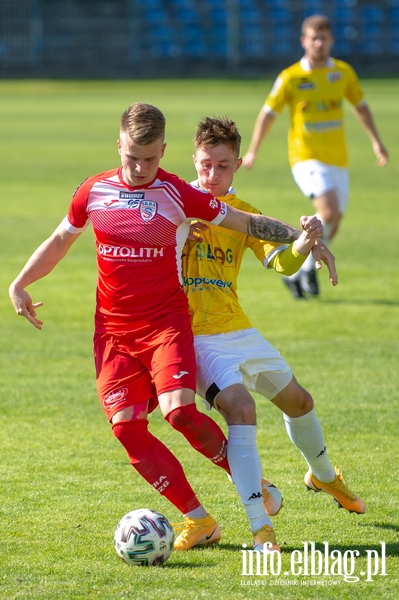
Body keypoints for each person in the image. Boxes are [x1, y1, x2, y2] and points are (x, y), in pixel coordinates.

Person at [9, 102, 330, 554]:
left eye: (151, 158)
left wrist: (307, 239)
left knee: (180, 411)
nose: (141, 168)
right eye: (131, 158)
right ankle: (200, 520)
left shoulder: (177, 193)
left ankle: (251, 482)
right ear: (118, 145)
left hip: (166, 326)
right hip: (113, 334)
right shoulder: (93, 191)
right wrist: (20, 282)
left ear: (164, 150)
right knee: (126, 428)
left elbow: (245, 222)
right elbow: (61, 239)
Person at [182, 116, 365, 552]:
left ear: (238, 164)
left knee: (300, 402)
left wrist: (305, 240)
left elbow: (282, 263)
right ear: (194, 159)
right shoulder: (177, 202)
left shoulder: (243, 213)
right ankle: (261, 527)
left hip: (239, 328)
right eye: (206, 165)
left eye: (222, 166)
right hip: (198, 338)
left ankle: (324, 478)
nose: (212, 175)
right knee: (241, 413)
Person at [242, 13, 388, 299]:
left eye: (323, 38)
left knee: (334, 221)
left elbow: (361, 107)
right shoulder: (291, 77)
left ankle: (299, 269)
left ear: (331, 41)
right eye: (313, 39)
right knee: (329, 211)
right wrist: (253, 151)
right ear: (303, 42)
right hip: (305, 156)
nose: (318, 44)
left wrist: (377, 142)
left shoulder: (343, 73)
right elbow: (268, 114)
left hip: (338, 159)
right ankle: (304, 263)